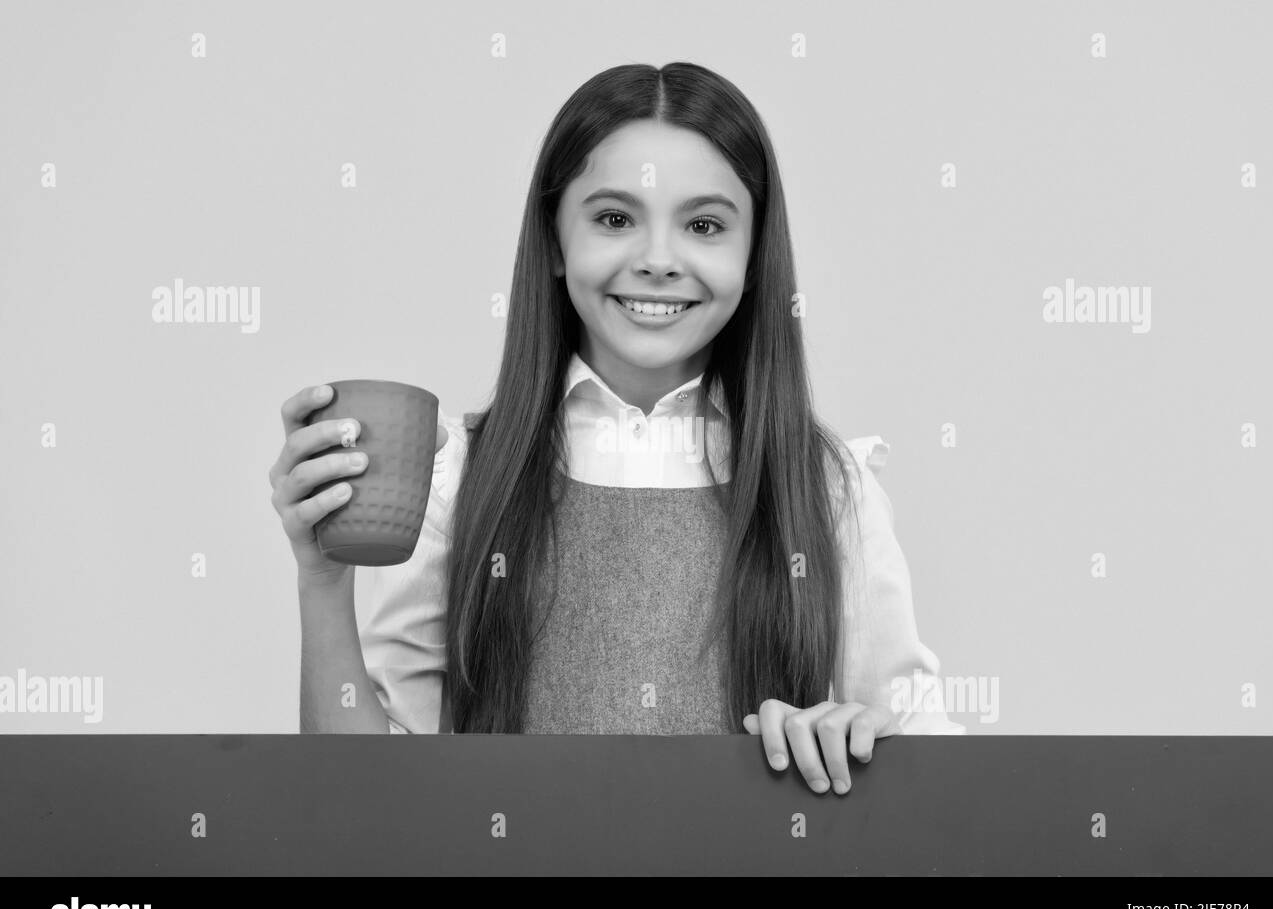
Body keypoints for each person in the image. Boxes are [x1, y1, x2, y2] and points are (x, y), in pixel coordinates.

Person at [269, 62, 963, 796]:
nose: (658, 261)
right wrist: (322, 581)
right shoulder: (465, 479)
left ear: (755, 254)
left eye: (703, 225)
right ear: (556, 244)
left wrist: (857, 742)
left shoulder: (827, 489)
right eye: (613, 219)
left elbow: (931, 777)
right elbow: (367, 801)